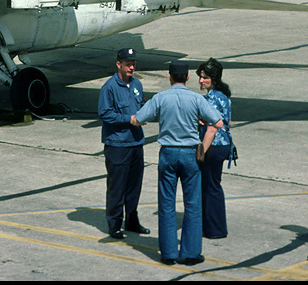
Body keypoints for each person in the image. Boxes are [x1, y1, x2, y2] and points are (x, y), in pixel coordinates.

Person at [131, 60, 224, 265]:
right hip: (191, 154)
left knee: (166, 203)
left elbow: (138, 119)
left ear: (169, 76)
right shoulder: (196, 99)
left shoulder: (161, 98)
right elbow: (218, 122)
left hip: (168, 154)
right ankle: (191, 253)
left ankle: (168, 253)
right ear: (188, 78)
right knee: (192, 204)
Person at [98, 47, 149, 240]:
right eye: (128, 64)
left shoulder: (136, 84)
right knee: (117, 187)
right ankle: (114, 225)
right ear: (118, 64)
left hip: (136, 142)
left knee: (134, 186)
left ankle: (132, 221)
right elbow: (105, 113)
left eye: (133, 64)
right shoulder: (109, 87)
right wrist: (130, 119)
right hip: (118, 145)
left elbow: (141, 105)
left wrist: (146, 113)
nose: (131, 67)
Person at [196, 58, 233, 239]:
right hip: (225, 144)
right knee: (214, 186)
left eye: (205, 78)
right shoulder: (223, 95)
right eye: (201, 77)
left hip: (214, 146)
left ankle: (214, 229)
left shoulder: (210, 99)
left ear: (214, 78)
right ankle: (214, 226)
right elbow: (228, 121)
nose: (201, 81)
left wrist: (200, 153)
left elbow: (211, 129)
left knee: (210, 188)